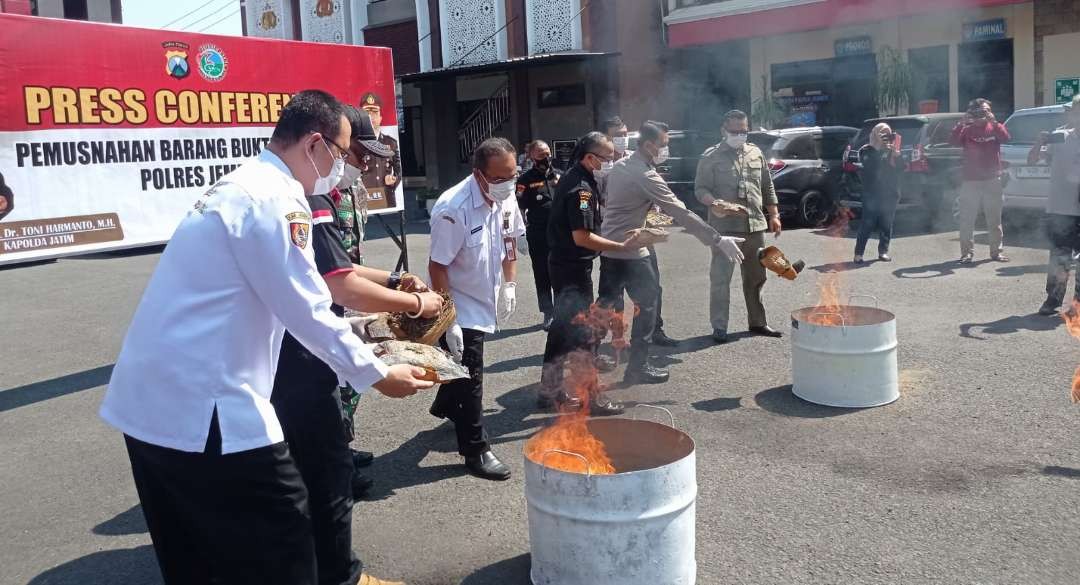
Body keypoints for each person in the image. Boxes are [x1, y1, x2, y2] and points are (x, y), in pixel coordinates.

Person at [98, 90, 432, 585]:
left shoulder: (242, 185)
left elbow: (266, 296)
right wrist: (378, 373)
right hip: (207, 405)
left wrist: (358, 332)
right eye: (341, 154)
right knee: (285, 532)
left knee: (196, 552)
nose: (342, 166)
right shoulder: (278, 201)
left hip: (150, 403)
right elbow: (307, 306)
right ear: (315, 144)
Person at [271, 105, 444, 584]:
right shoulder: (301, 199)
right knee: (326, 476)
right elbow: (337, 284)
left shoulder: (282, 190)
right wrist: (412, 308)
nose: (356, 164)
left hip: (285, 350)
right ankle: (342, 577)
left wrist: (391, 282)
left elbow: (334, 269)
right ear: (314, 145)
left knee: (305, 473)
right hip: (295, 357)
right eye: (347, 152)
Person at [599, 120, 745, 384]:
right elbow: (680, 212)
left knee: (604, 308)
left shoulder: (621, 166)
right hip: (632, 252)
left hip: (610, 249)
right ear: (648, 145)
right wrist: (717, 238)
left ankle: (582, 360)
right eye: (664, 145)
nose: (666, 149)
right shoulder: (645, 174)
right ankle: (637, 367)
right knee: (647, 306)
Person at [427, 137, 525, 481]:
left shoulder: (507, 195)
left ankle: (444, 406)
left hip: (486, 294)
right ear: (478, 175)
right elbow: (438, 265)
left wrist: (510, 282)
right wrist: (448, 317)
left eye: (513, 175)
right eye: (499, 178)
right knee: (472, 377)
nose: (507, 184)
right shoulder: (453, 208)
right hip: (459, 301)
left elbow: (510, 241)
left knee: (462, 369)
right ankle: (475, 449)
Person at [540, 132, 644, 414]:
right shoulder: (582, 189)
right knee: (584, 334)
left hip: (563, 266)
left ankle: (548, 392)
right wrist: (620, 245)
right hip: (573, 270)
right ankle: (593, 398)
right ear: (589, 158)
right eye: (607, 159)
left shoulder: (575, 177)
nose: (611, 163)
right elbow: (582, 237)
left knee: (561, 331)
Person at [695, 109, 783, 344]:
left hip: (754, 227)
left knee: (756, 278)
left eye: (744, 131)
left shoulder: (756, 153)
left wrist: (774, 214)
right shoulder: (710, 157)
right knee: (721, 280)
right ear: (724, 130)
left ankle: (758, 322)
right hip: (725, 229)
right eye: (735, 131)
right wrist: (714, 203)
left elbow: (767, 185)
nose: (740, 135)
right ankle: (720, 327)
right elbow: (700, 189)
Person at [599, 116, 679, 347]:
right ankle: (617, 337)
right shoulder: (602, 166)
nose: (623, 139)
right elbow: (590, 201)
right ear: (606, 138)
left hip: (642, 234)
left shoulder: (636, 161)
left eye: (625, 134)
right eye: (617, 135)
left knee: (651, 288)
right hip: (614, 237)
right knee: (614, 295)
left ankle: (655, 329)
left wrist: (656, 219)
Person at [1033, 95, 1080, 315]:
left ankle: (1078, 305)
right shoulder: (1060, 137)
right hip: (1060, 208)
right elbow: (1032, 160)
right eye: (1075, 111)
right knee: (1060, 257)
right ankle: (1053, 300)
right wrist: (1039, 142)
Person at [951, 98, 1011, 263]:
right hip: (970, 180)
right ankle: (967, 253)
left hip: (992, 179)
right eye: (977, 111)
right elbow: (953, 141)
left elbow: (1006, 138)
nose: (981, 114)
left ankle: (996, 252)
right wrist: (962, 122)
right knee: (967, 219)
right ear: (971, 113)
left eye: (984, 111)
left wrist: (995, 121)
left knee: (994, 219)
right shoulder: (967, 129)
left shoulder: (994, 127)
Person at [516, 140, 559, 330]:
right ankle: (548, 312)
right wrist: (520, 233)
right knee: (542, 274)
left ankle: (561, 311)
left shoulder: (560, 175)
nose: (546, 158)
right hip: (538, 234)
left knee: (561, 273)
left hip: (560, 234)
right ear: (532, 156)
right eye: (541, 155)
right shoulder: (525, 180)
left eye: (548, 153)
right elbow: (519, 208)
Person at [854, 122, 903, 263]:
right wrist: (878, 150)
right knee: (867, 223)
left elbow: (901, 169)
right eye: (882, 133)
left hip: (890, 192)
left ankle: (883, 252)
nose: (885, 136)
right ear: (875, 133)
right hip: (872, 193)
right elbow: (869, 169)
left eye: (888, 133)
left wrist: (897, 156)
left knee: (887, 224)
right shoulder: (866, 150)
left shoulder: (892, 150)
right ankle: (858, 254)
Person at [358, 92, 402, 210]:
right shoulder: (356, 143)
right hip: (365, 200)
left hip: (386, 199)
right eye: (367, 113)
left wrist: (393, 181)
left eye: (375, 113)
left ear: (380, 118)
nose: (371, 117)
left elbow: (399, 170)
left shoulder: (391, 143)